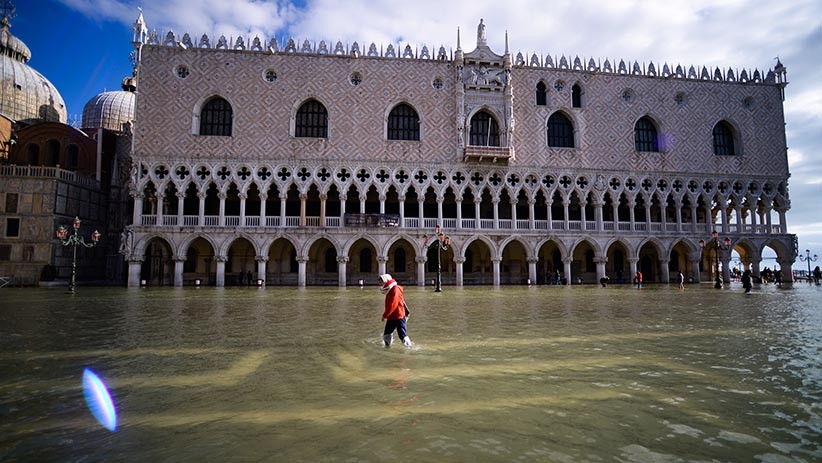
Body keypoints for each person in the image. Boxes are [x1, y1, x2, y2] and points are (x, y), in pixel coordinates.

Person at [379, 274, 412, 348]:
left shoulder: (395, 289)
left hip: (399, 316)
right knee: (387, 334)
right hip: (392, 316)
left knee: (402, 335)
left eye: (381, 281)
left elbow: (393, 303)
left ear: (386, 280)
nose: (380, 283)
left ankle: (410, 349)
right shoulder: (390, 289)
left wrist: (385, 315)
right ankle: (387, 348)